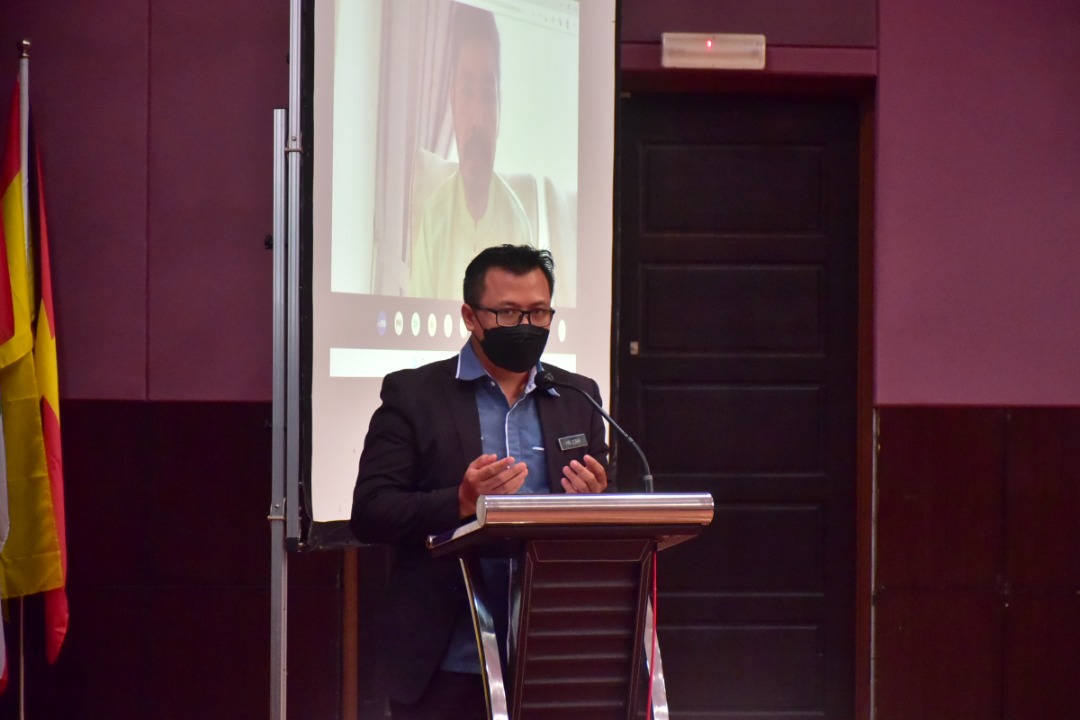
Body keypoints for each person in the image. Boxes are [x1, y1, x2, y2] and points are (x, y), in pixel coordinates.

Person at [351, 245, 610, 720]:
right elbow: (371, 511)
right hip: (448, 657)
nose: (525, 326)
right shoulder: (415, 395)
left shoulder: (579, 397)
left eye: (538, 312)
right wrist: (461, 501)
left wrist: (597, 501)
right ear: (470, 317)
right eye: (507, 312)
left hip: (552, 649)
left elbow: (604, 510)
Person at [409, 5, 534, 300]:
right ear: (452, 101)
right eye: (467, 91)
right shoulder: (434, 219)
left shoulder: (518, 224)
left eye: (488, 94)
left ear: (499, 109)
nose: (477, 118)